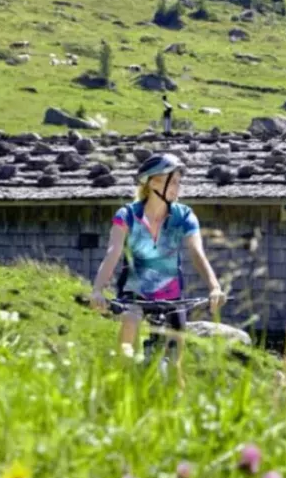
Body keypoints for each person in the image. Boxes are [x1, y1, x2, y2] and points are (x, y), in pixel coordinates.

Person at [90, 152, 224, 362]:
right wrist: (98, 289)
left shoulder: (185, 216)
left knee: (175, 359)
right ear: (154, 182)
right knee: (129, 327)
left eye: (180, 182)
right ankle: (122, 381)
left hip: (172, 296)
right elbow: (113, 252)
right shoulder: (126, 216)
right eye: (173, 183)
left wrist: (214, 287)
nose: (178, 188)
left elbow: (197, 252)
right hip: (134, 294)